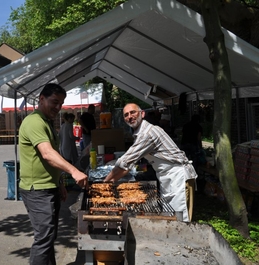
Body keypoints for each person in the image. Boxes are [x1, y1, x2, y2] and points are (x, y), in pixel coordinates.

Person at [18, 83, 88, 265]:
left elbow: (56, 156)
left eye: (61, 104)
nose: (58, 107)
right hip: (37, 190)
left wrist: (61, 183)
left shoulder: (47, 122)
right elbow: (47, 154)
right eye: (54, 102)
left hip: (50, 187)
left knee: (48, 238)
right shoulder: (34, 121)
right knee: (43, 240)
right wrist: (74, 171)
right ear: (42, 99)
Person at [104, 103, 197, 222]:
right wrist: (111, 181)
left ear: (142, 114)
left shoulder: (147, 133)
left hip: (178, 176)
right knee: (170, 217)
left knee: (180, 220)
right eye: (126, 115)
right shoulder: (140, 132)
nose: (130, 116)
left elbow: (124, 163)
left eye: (133, 112)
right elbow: (127, 166)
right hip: (167, 177)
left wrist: (105, 183)